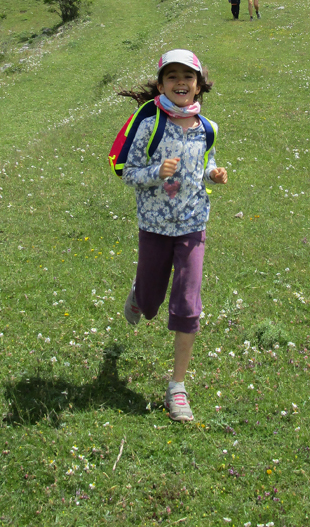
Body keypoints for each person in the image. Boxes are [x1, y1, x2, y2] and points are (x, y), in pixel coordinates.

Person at [117, 49, 228, 422]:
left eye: (188, 77)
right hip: (154, 226)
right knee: (149, 307)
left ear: (198, 86)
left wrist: (213, 173)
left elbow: (206, 159)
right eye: (172, 76)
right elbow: (127, 171)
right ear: (161, 84)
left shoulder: (206, 128)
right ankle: (139, 295)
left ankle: (177, 387)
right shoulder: (150, 123)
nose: (181, 82)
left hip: (193, 225)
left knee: (187, 303)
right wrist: (155, 172)